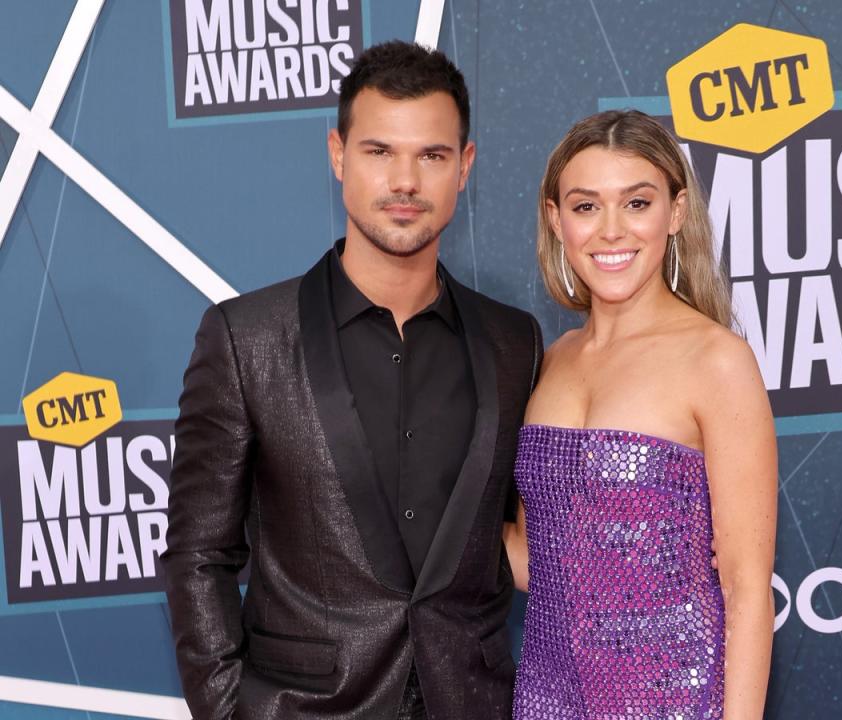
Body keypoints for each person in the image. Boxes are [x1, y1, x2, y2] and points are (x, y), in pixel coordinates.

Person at [161, 41, 542, 720]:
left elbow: (526, 532)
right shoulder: (245, 339)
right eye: (378, 152)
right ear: (338, 155)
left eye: (432, 155)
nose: (405, 181)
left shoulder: (514, 343)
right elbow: (198, 554)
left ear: (465, 166)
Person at [503, 110, 777, 719]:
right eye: (585, 206)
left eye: (636, 203)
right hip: (549, 698)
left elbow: (746, 589)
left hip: (676, 698)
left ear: (675, 213)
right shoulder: (548, 362)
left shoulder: (717, 360)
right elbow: (536, 559)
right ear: (556, 219)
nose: (610, 232)